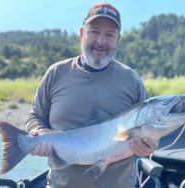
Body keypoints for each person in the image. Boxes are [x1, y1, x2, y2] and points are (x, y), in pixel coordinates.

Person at [25, 2, 158, 188]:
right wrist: (37, 132)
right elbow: (35, 116)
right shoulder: (56, 73)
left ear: (118, 39)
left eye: (110, 35)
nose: (101, 41)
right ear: (82, 33)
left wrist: (148, 147)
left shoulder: (132, 80)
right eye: (94, 31)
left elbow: (147, 133)